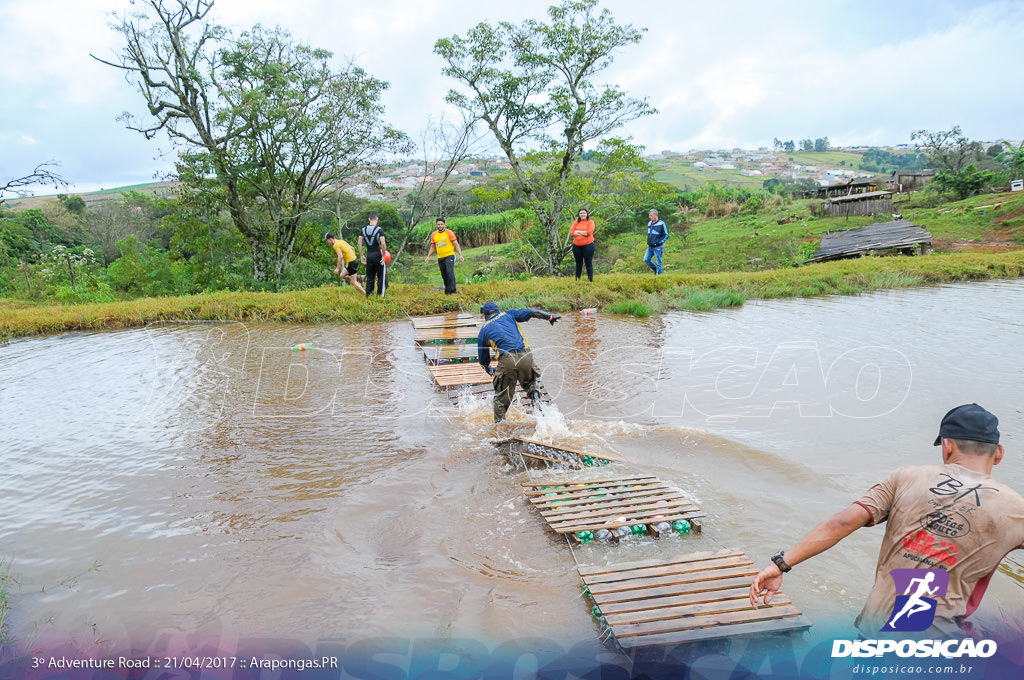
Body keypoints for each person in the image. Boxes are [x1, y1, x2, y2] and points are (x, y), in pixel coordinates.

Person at [749, 403, 1024, 638]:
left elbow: (841, 523)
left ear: (947, 446)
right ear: (999, 453)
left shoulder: (906, 477)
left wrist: (781, 565)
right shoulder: (1015, 510)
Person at [477, 301, 561, 423]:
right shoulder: (509, 314)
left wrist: (489, 369)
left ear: (485, 315)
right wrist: (549, 317)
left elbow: (483, 359)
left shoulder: (484, 330)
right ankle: (539, 405)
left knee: (501, 399)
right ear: (498, 310)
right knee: (530, 382)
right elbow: (531, 311)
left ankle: (500, 429)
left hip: (507, 360)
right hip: (525, 355)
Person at [424, 217, 463, 295]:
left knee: (450, 272)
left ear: (444, 224)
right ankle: (447, 291)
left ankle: (453, 291)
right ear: (436, 225)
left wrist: (460, 255)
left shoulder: (449, 233)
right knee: (444, 274)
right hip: (440, 257)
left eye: (441, 224)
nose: (440, 226)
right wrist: (428, 257)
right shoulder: (434, 234)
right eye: (438, 224)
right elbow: (433, 246)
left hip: (449, 255)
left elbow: (456, 243)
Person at [358, 212, 388, 298]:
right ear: (377, 219)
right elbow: (383, 244)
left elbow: (359, 243)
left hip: (369, 256)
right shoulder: (379, 230)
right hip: (378, 256)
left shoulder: (363, 230)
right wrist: (383, 256)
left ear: (369, 219)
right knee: (380, 277)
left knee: (370, 278)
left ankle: (369, 295)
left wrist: (362, 255)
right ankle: (380, 296)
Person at [571, 208, 596, 282]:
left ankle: (590, 280)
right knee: (578, 263)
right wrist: (583, 232)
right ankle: (577, 279)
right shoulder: (576, 222)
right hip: (576, 246)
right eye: (581, 213)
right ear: (579, 214)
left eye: (584, 213)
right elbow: (572, 233)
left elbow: (589, 233)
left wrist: (578, 232)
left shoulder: (590, 222)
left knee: (588, 262)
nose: (582, 214)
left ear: (587, 214)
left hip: (588, 245)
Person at [643, 208, 669, 275]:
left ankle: (659, 276)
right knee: (646, 259)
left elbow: (666, 235)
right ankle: (655, 269)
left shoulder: (661, 223)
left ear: (656, 215)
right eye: (649, 215)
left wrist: (659, 242)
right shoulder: (649, 223)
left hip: (658, 247)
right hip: (650, 246)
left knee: (659, 262)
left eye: (651, 215)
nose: (649, 217)